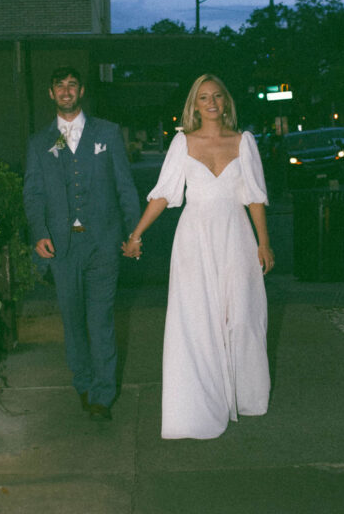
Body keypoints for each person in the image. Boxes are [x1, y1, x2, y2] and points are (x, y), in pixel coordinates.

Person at [122, 74, 274, 440]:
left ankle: (243, 394)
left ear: (226, 102)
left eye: (217, 96)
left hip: (236, 236)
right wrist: (136, 233)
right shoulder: (182, 143)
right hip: (194, 239)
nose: (210, 103)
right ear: (194, 105)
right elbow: (163, 194)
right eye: (203, 97)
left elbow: (254, 196)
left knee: (241, 316)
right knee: (196, 319)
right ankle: (197, 406)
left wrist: (263, 243)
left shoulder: (244, 142)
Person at [23, 67, 140, 421]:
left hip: (103, 243)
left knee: (101, 319)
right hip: (62, 246)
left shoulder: (106, 133)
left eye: (72, 85)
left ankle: (102, 396)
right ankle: (84, 383)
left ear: (82, 91)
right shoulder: (41, 142)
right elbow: (33, 193)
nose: (66, 91)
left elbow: (124, 187)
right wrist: (39, 232)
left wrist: (134, 234)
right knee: (73, 322)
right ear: (51, 93)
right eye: (60, 85)